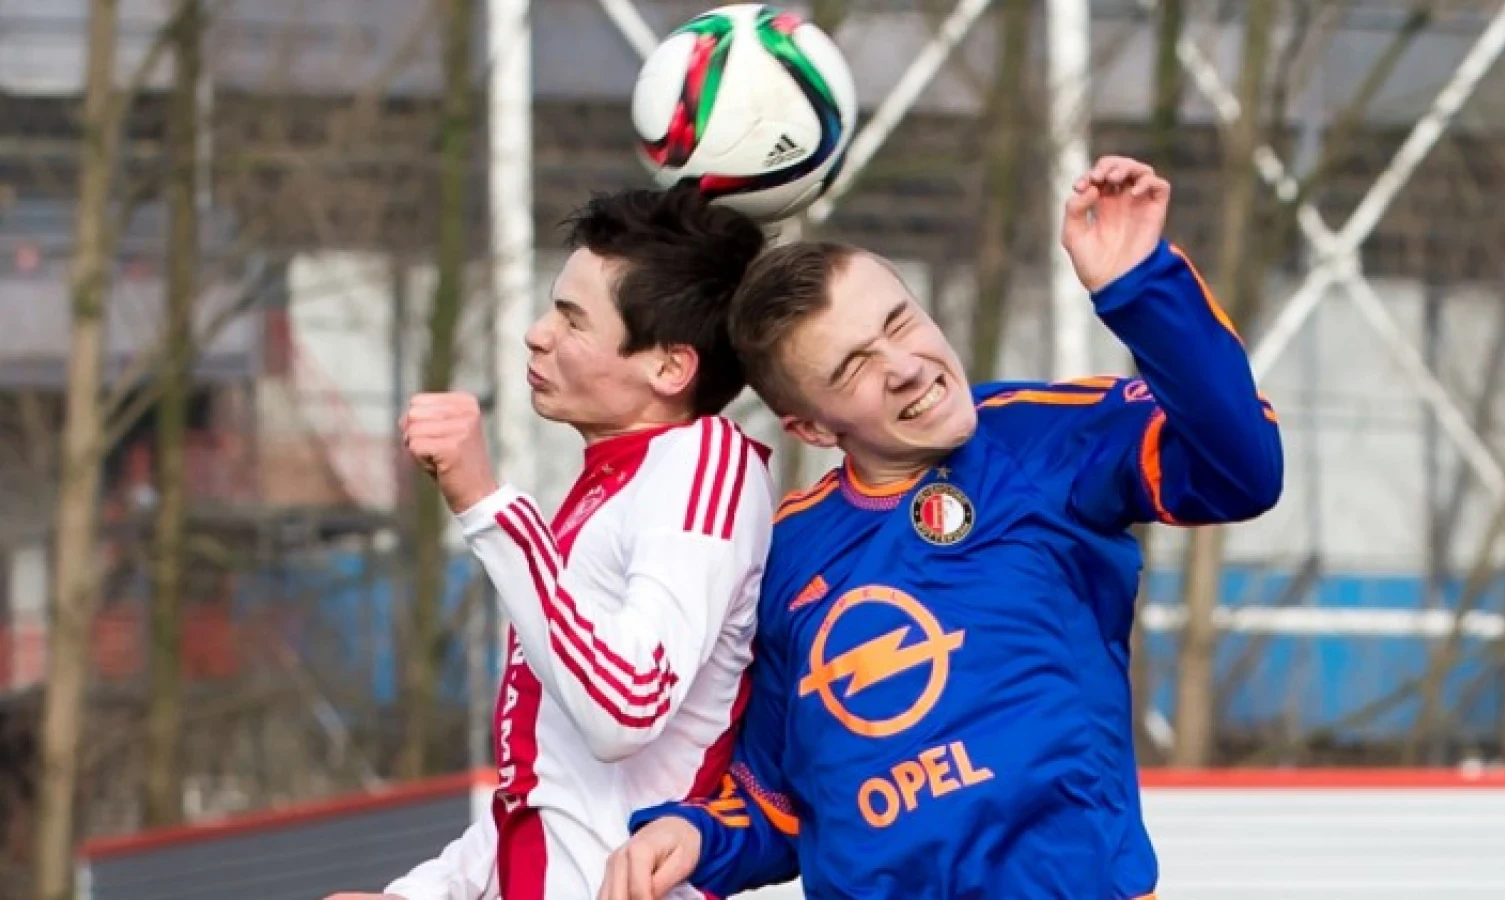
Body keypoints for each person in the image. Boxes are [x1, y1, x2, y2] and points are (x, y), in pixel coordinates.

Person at [599, 156, 1284, 900]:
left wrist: (1141, 286)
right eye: (855, 366)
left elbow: (1240, 469)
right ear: (810, 427)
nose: (904, 366)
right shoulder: (786, 554)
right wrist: (695, 834)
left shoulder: (1037, 442)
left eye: (899, 323)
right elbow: (778, 803)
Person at [326, 185, 775, 900]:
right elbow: (548, 785)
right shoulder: (613, 482)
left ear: (669, 367)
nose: (537, 333)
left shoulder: (704, 462)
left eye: (572, 320)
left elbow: (624, 708)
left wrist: (485, 500)